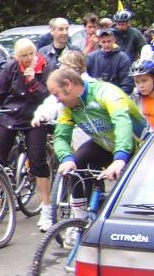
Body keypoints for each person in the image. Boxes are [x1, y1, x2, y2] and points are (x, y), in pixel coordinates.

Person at [49, 69, 146, 220]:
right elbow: (61, 136)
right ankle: (79, 220)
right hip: (106, 146)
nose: (57, 100)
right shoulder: (68, 107)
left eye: (56, 94)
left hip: (136, 148)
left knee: (131, 197)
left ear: (68, 85)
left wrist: (120, 158)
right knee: (76, 160)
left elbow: (122, 123)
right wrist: (66, 158)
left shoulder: (105, 92)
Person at [0, 40, 54, 231]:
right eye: (24, 55)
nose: (29, 58)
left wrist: (33, 82)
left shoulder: (45, 66)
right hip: (12, 113)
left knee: (38, 161)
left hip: (35, 116)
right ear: (16, 57)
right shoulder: (11, 68)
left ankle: (46, 207)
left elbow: (49, 97)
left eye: (31, 54)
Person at [87, 28, 133, 94]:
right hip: (95, 96)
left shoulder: (123, 59)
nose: (106, 45)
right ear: (99, 42)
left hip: (116, 97)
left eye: (109, 41)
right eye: (103, 42)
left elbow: (127, 85)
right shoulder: (91, 57)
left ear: (114, 40)